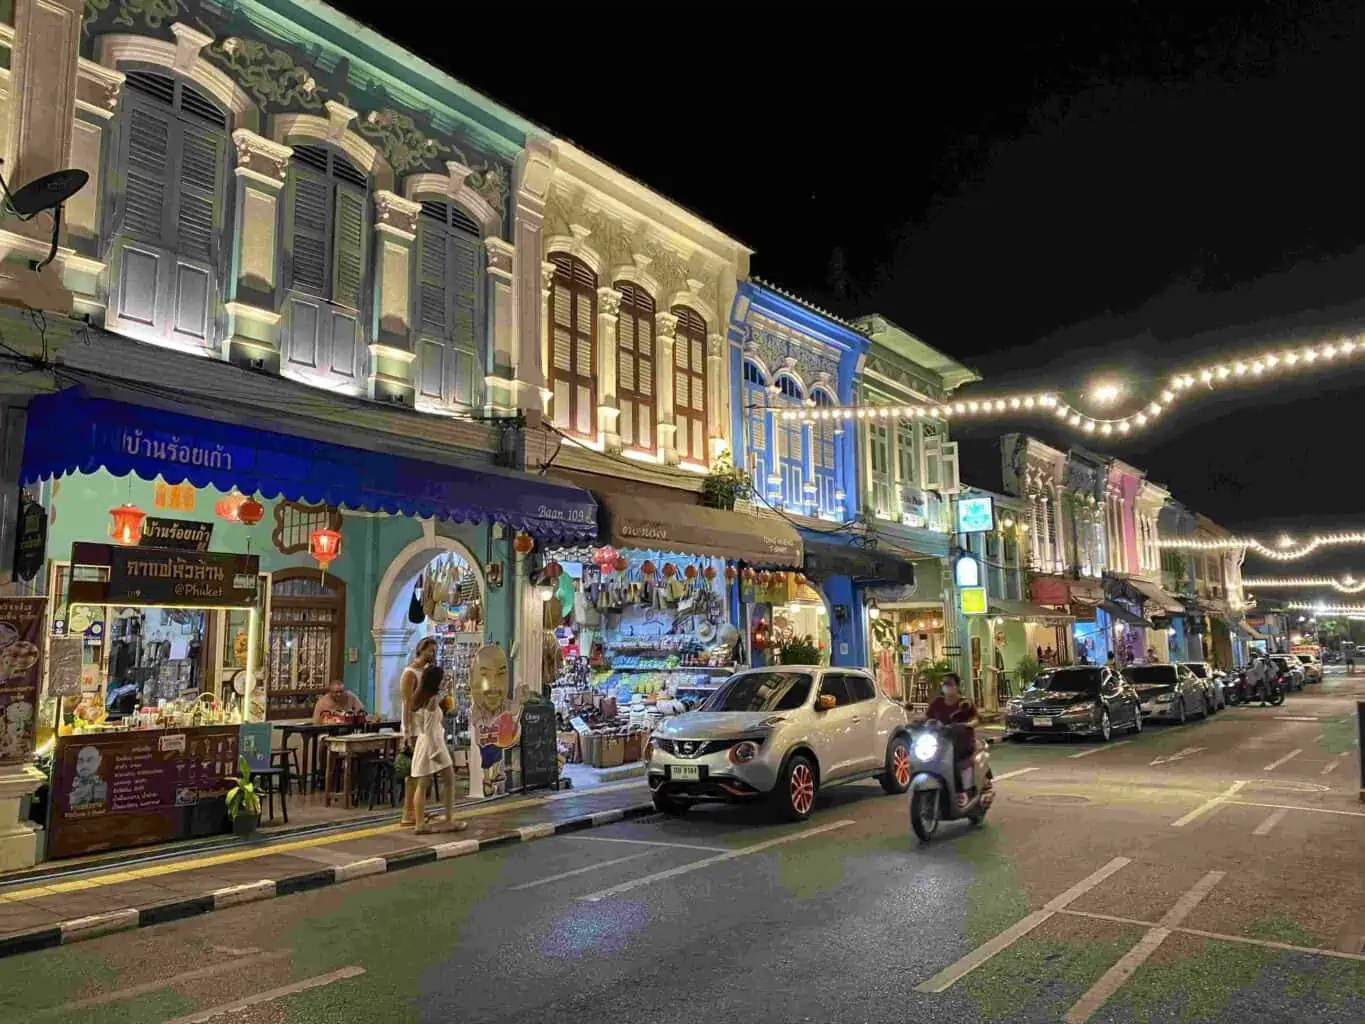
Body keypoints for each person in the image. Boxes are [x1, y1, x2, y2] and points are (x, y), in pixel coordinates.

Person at [409, 664, 465, 834]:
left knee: (423, 784)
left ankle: (420, 823)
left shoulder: (418, 699)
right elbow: (431, 728)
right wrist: (436, 752)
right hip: (433, 744)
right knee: (449, 780)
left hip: (423, 743)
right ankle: (449, 819)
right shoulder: (432, 700)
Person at [923, 674, 978, 808]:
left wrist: (968, 725)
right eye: (944, 684)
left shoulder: (965, 703)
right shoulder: (937, 703)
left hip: (961, 742)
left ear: (957, 686)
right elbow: (927, 717)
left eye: (950, 684)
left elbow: (976, 719)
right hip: (940, 740)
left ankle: (961, 793)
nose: (946, 687)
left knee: (952, 760)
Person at [399, 637, 437, 827]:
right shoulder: (410, 673)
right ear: (420, 651)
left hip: (425, 726)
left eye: (434, 651)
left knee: (423, 771)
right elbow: (407, 704)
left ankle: (416, 808)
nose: (432, 655)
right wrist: (406, 733)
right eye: (430, 651)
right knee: (414, 772)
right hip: (414, 728)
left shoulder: (426, 672)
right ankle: (408, 812)